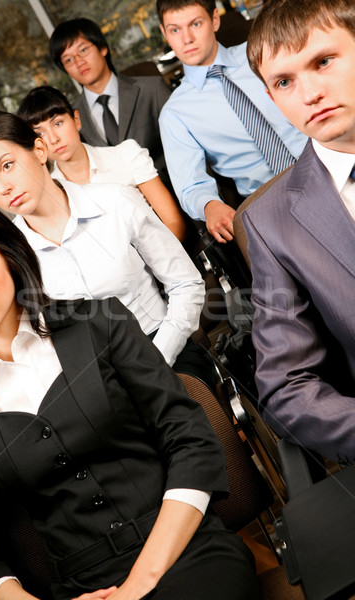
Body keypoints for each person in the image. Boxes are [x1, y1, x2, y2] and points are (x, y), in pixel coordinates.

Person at [0, 184, 260, 600]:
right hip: (78, 587)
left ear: (9, 254)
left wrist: (139, 584)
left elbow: (190, 439)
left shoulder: (102, 323)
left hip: (183, 550)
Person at [0, 111, 217, 386]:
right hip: (91, 382)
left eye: (7, 165)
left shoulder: (115, 200)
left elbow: (186, 285)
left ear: (38, 150)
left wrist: (156, 356)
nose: (2, 187)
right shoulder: (9, 253)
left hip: (163, 348)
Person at [236, 0, 355, 464]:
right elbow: (287, 389)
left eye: (323, 61)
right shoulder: (270, 223)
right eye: (284, 81)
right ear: (271, 97)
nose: (308, 94)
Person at [157, 0, 307, 243]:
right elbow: (190, 185)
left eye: (195, 24)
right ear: (164, 33)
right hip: (271, 201)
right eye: (175, 30)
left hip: (325, 161)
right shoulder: (175, 113)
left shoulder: (262, 51)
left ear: (215, 20)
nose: (186, 39)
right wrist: (210, 206)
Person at [16, 85, 189, 242]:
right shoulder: (50, 192)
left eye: (58, 123)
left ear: (76, 120)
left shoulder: (125, 155)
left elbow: (174, 222)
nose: (53, 139)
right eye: (40, 134)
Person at [49, 18, 172, 188]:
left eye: (83, 50)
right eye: (68, 60)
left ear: (102, 48)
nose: (78, 62)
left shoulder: (151, 89)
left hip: (172, 192)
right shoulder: (71, 119)